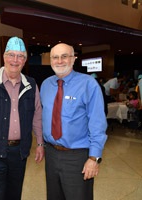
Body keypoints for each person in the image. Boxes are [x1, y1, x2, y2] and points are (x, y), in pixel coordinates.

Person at [40, 43, 107, 200]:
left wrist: (94, 158)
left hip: (77, 157)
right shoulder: (45, 85)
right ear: (50, 60)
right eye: (55, 57)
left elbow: (97, 123)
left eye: (65, 56)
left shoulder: (88, 84)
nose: (60, 61)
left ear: (73, 59)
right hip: (51, 154)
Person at [0, 37, 44, 200]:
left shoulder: (31, 85)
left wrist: (39, 143)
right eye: (11, 55)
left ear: (24, 60)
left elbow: (37, 115)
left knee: (14, 194)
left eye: (20, 56)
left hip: (19, 152)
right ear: (4, 57)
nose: (15, 60)